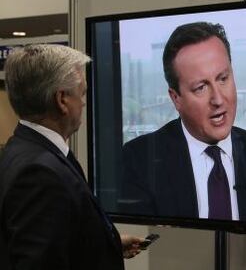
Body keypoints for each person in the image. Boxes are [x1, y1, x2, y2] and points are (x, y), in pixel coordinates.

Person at [120, 22, 246, 225]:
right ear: (176, 98)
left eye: (223, 79)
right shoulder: (139, 160)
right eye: (201, 87)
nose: (218, 100)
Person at [0, 44, 144, 270]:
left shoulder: (25, 149)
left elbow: (59, 235)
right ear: (62, 100)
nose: (84, 102)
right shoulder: (39, 173)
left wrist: (107, 244)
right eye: (82, 92)